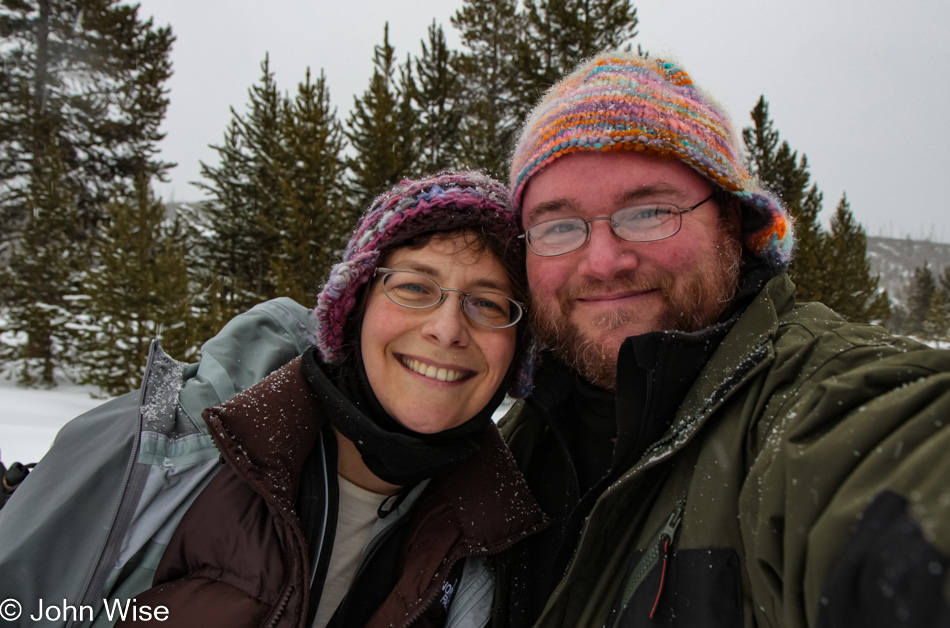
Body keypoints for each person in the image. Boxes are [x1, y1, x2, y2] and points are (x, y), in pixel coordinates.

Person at [493, 52, 950, 627]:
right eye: (558, 226)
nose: (604, 262)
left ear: (732, 223)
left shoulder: (805, 409)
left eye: (650, 211)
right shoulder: (502, 455)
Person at [0, 171, 546, 627]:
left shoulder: (498, 537)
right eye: (414, 287)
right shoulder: (161, 446)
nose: (447, 329)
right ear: (351, 310)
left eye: (488, 303)